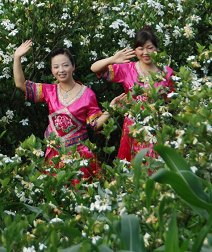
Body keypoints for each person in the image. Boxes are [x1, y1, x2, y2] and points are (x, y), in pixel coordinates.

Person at [13, 40, 123, 182]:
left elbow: (96, 124)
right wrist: (17, 58)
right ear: (52, 71)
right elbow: (21, 84)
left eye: (65, 65)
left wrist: (110, 109)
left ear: (73, 67)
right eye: (56, 67)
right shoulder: (50, 91)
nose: (61, 70)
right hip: (54, 154)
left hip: (79, 156)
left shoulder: (87, 94)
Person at [90, 26, 174, 161]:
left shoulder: (167, 72)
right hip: (133, 127)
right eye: (141, 48)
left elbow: (173, 103)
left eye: (150, 47)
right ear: (135, 50)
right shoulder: (127, 69)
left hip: (157, 126)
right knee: (133, 169)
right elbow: (95, 68)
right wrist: (113, 59)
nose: (145, 52)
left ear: (157, 48)